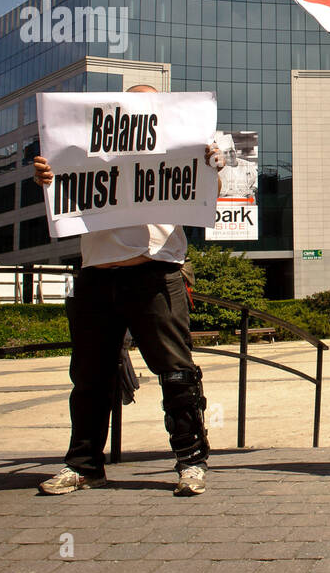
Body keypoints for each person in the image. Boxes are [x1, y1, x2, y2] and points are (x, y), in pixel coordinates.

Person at [35, 84, 225, 497]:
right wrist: (49, 177)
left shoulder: (184, 146)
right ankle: (83, 465)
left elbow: (206, 186)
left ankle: (191, 461)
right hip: (96, 275)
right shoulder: (89, 150)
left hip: (155, 274)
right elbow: (65, 182)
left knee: (176, 371)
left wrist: (213, 166)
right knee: (89, 376)